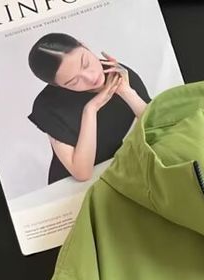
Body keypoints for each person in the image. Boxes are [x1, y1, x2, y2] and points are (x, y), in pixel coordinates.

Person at [26, 34, 150, 185]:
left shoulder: (115, 72)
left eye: (85, 63)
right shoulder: (48, 106)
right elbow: (82, 173)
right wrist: (90, 110)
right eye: (74, 82)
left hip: (119, 169)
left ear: (84, 45)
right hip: (71, 187)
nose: (91, 77)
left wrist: (126, 91)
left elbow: (157, 126)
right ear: (58, 86)